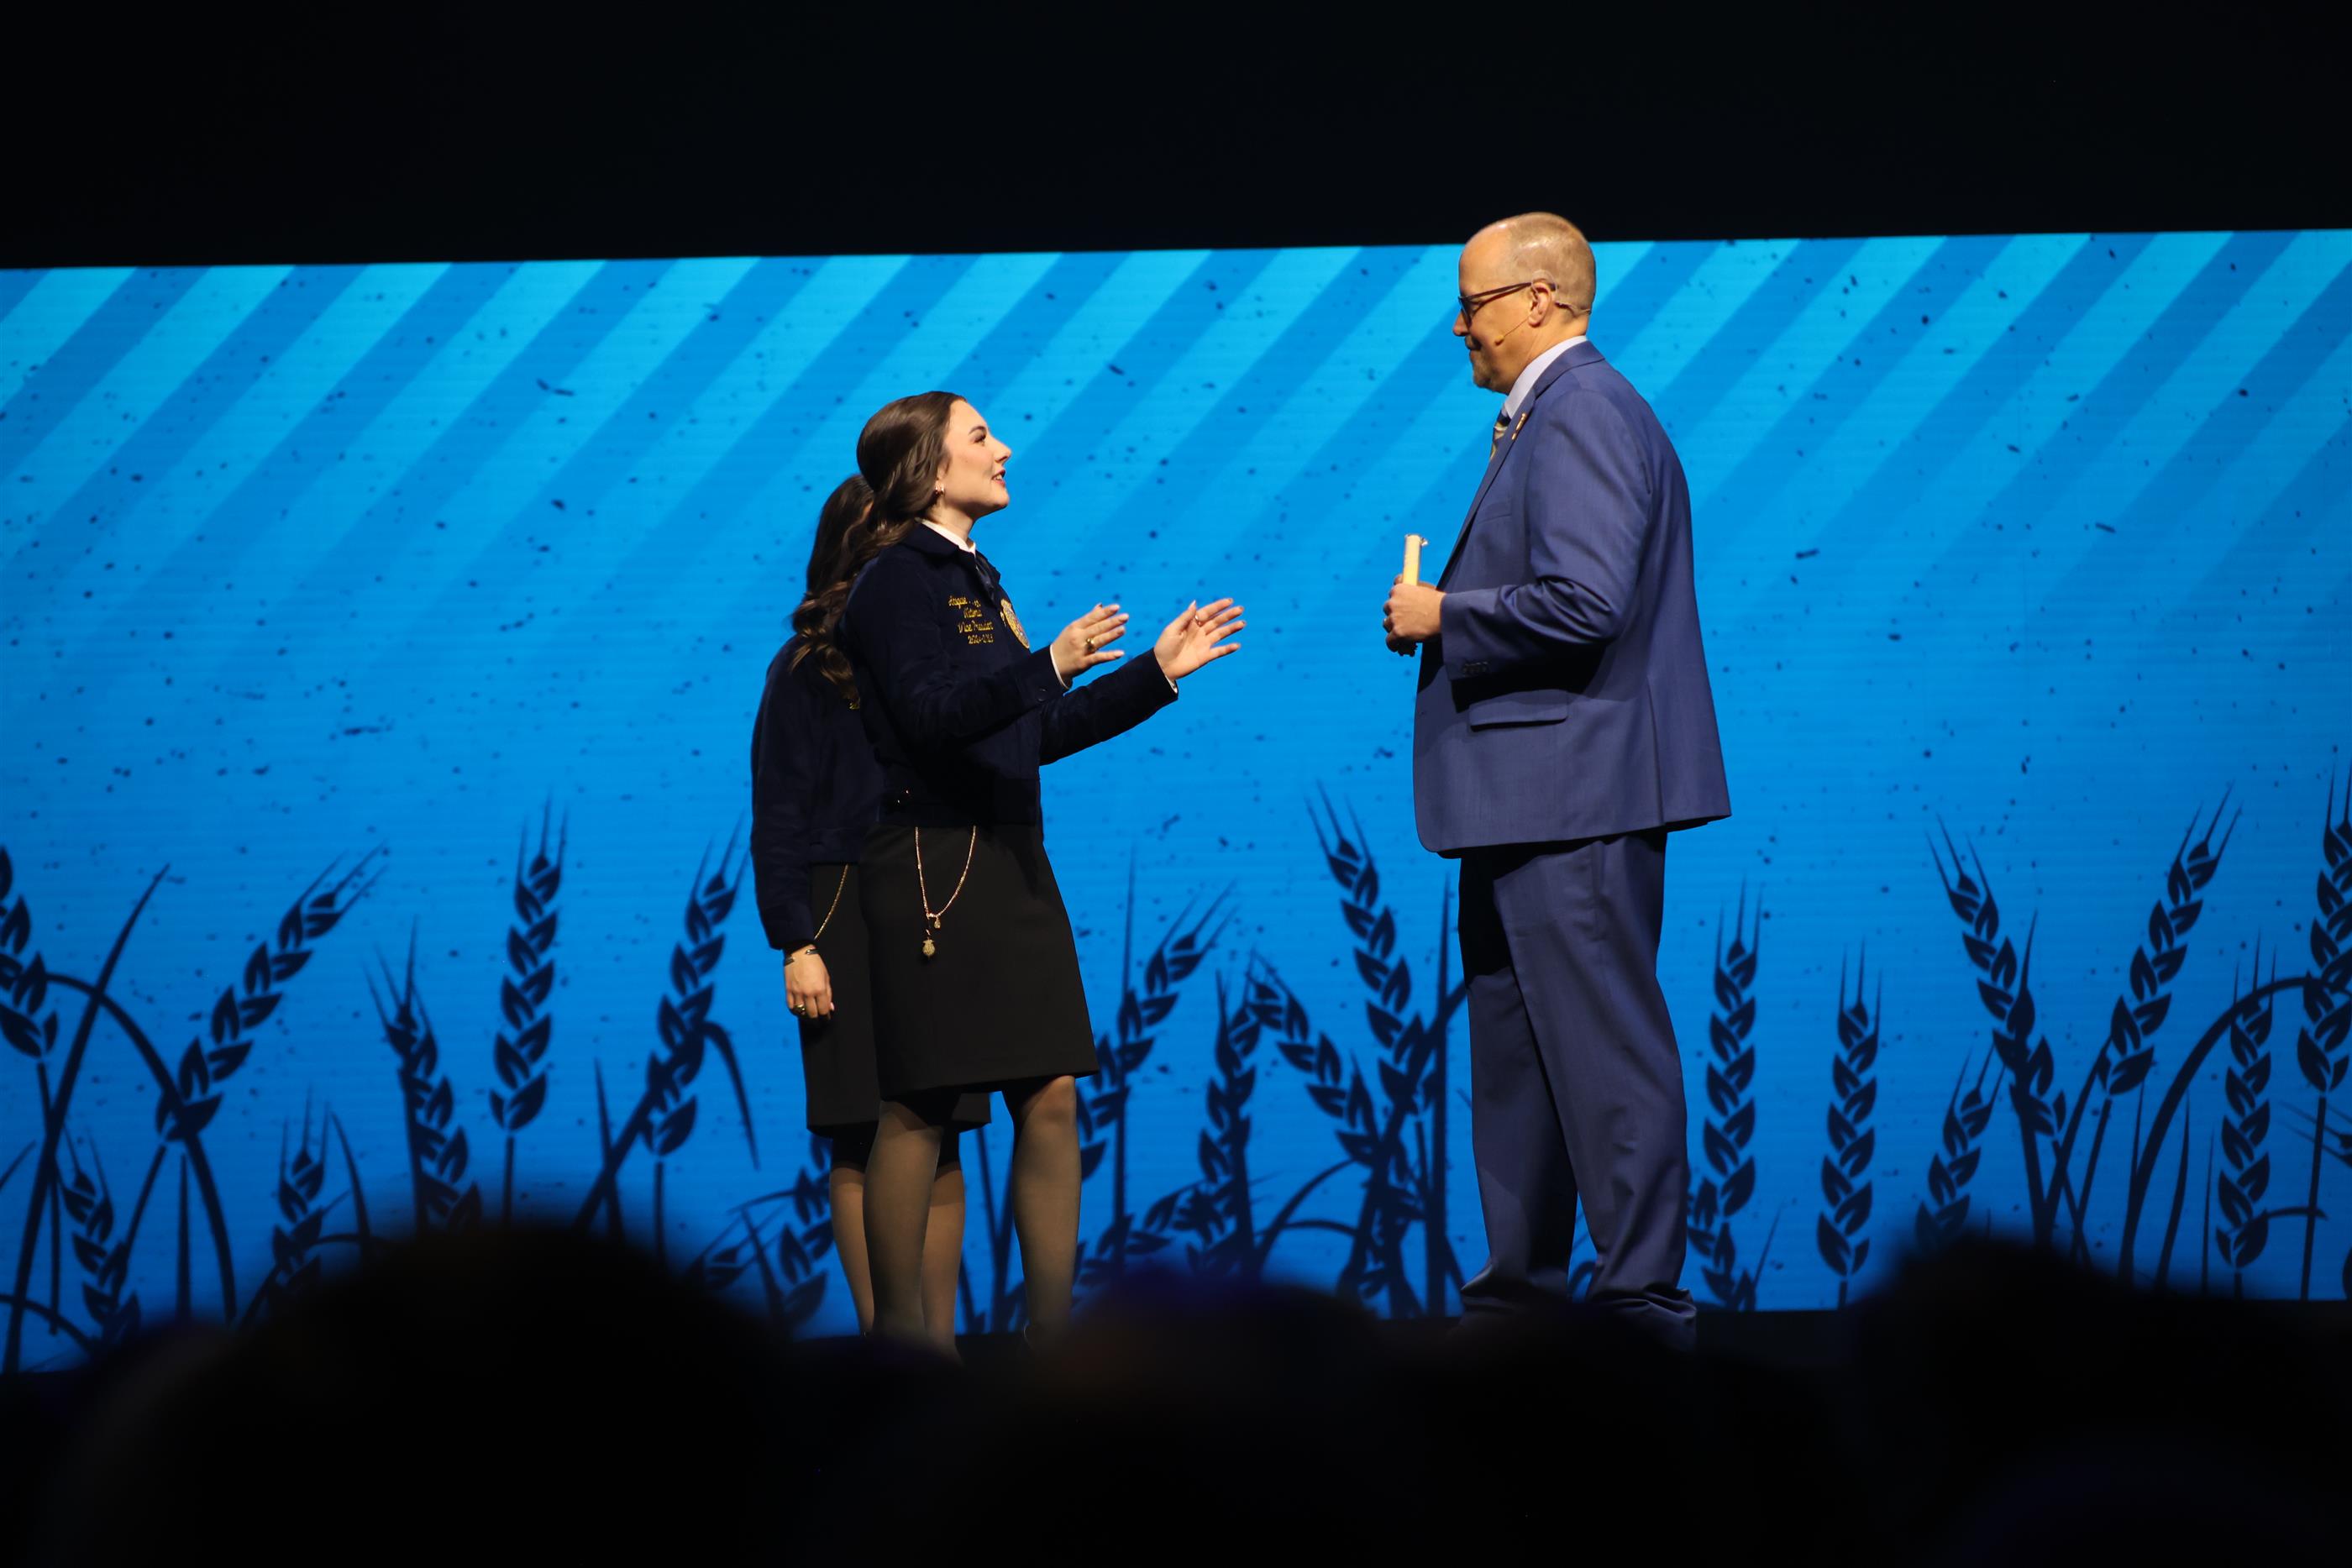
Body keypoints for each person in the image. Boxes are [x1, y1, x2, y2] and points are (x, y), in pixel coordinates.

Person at [1383, 212, 1730, 1348]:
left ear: (1538, 301)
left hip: (1576, 791)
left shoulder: (1584, 411)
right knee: (1519, 1060)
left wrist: (1444, 614)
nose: (1459, 326)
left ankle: (1640, 1303)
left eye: (1472, 303)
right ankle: (1517, 1304)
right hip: (1524, 797)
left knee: (1603, 1049)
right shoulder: (1549, 416)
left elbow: (1586, 602)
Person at [831, 390, 1244, 1345]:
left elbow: (1033, 733)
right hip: (930, 864)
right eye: (980, 436)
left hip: (1012, 859)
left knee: (1052, 1089)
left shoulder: (979, 578)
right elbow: (934, 718)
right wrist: (1048, 662)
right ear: (931, 468)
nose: (1005, 448)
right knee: (921, 1102)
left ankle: (1051, 1344)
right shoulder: (894, 582)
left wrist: (1154, 672)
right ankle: (903, 1347)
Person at [750, 475, 987, 1351]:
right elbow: (778, 810)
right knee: (859, 1127)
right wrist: (796, 942)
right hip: (842, 906)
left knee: (943, 1125)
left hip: (928, 894)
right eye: (891, 528)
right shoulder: (809, 664)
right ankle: (890, 1349)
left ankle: (941, 1347)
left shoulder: (939, 649)